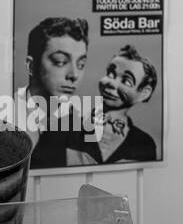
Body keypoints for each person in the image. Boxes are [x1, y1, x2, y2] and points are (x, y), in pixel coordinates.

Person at [24, 17, 92, 170]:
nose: (74, 74)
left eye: (81, 64)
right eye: (60, 62)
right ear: (31, 66)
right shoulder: (7, 117)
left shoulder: (85, 132)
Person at [80, 46, 158, 165]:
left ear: (144, 93)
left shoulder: (144, 143)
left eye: (126, 81)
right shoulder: (66, 127)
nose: (111, 83)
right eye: (110, 74)